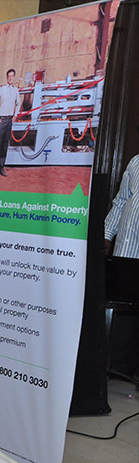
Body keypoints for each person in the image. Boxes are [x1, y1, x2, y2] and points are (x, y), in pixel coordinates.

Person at [103, 153, 139, 380]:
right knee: (122, 320)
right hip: (125, 256)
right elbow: (120, 202)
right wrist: (106, 236)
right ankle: (117, 373)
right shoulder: (136, 162)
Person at [0, 68, 21, 181]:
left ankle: (0, 167)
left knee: (5, 145)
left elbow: (18, 103)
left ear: (14, 77)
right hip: (1, 121)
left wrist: (15, 115)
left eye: (12, 76)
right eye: (9, 76)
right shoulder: (2, 89)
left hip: (9, 120)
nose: (10, 78)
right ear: (7, 78)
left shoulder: (16, 90)